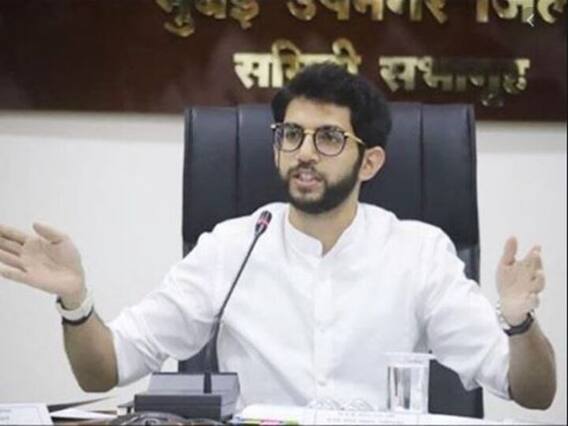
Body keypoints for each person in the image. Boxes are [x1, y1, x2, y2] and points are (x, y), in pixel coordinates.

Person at [0, 63, 556, 411]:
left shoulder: (419, 252)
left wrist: (519, 323)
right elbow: (105, 370)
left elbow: (532, 391)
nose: (304, 152)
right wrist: (76, 302)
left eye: (329, 137)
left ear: (370, 162)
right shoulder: (232, 247)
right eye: (291, 134)